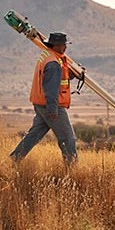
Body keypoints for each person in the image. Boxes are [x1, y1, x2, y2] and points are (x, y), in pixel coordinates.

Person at [10, 32, 77, 164]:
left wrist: (75, 74)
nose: (65, 47)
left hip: (41, 104)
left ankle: (14, 159)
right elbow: (51, 88)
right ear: (56, 45)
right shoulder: (53, 63)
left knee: (34, 135)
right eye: (63, 44)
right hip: (52, 105)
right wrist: (52, 110)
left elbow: (59, 78)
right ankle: (72, 168)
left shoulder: (49, 57)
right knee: (68, 138)